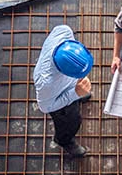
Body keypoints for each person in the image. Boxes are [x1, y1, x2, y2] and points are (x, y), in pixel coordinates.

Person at [34, 25, 94, 157]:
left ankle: (79, 95)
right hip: (58, 98)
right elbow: (45, 107)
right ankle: (64, 141)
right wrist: (74, 94)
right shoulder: (47, 84)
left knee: (79, 97)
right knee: (72, 121)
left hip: (68, 86)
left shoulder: (64, 32)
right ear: (65, 73)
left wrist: (77, 89)